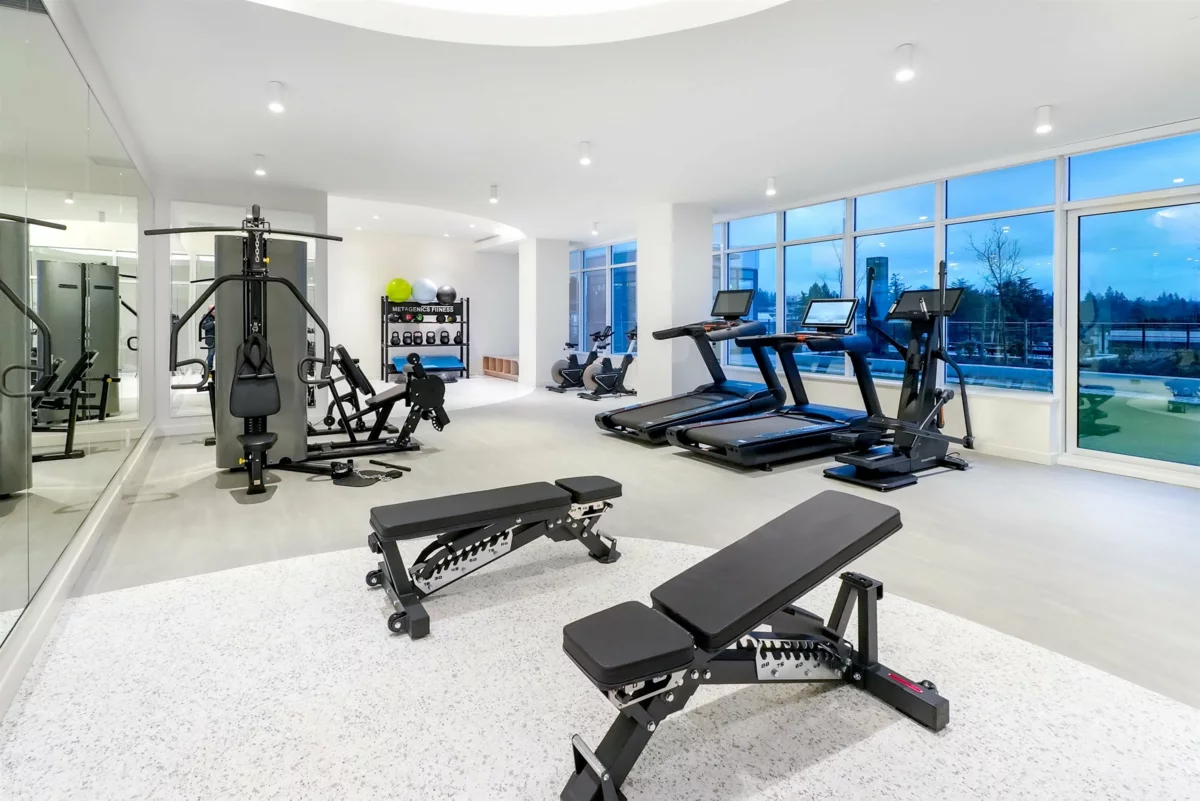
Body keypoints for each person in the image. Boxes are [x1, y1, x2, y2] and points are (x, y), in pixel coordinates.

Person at [198, 306, 216, 371]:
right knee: (211, 354)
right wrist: (213, 323)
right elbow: (204, 326)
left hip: (221, 339)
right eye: (213, 310)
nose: (215, 312)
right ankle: (209, 368)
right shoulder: (206, 317)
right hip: (211, 339)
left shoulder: (220, 315)